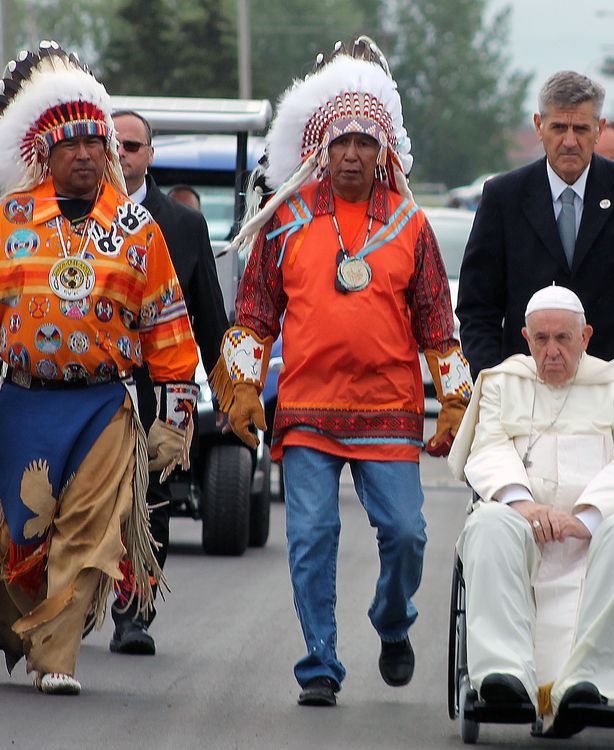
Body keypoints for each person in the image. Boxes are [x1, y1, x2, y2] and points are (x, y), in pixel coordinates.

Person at [212, 37, 472, 707]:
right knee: (311, 537)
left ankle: (392, 621)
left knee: (409, 535)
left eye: (364, 141)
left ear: (383, 151)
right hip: (306, 408)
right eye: (340, 141)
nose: (352, 152)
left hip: (387, 408)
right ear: (319, 150)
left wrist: (455, 401)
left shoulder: (412, 225)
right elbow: (254, 315)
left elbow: (438, 325)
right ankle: (320, 665)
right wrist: (240, 387)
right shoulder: (286, 221)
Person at [0, 42, 198, 695]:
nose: (85, 153)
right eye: (70, 143)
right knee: (17, 538)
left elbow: (168, 325)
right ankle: (20, 626)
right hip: (23, 402)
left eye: (95, 141)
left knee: (86, 537)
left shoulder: (138, 229)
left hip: (102, 407)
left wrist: (175, 417)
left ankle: (56, 659)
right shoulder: (10, 222)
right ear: (46, 155)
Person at [449, 285, 614, 737]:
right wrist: (524, 504)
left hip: (600, 534)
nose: (552, 351)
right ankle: (504, 675)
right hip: (525, 530)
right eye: (541, 340)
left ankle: (589, 681)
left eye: (563, 339)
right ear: (526, 338)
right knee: (488, 523)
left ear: (586, 336)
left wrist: (587, 517)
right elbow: (487, 449)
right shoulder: (502, 383)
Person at [457, 70, 614, 403]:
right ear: (539, 126)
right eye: (558, 128)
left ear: (599, 129)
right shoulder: (502, 197)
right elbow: (477, 307)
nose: (569, 141)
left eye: (580, 128)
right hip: (523, 396)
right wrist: (495, 383)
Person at [103, 110, 228, 655]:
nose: (123, 153)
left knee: (149, 500)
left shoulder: (182, 225)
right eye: (115, 143)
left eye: (133, 144)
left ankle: (134, 613)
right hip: (87, 386)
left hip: (156, 389)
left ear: (150, 154)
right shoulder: (71, 213)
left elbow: (207, 313)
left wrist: (228, 388)